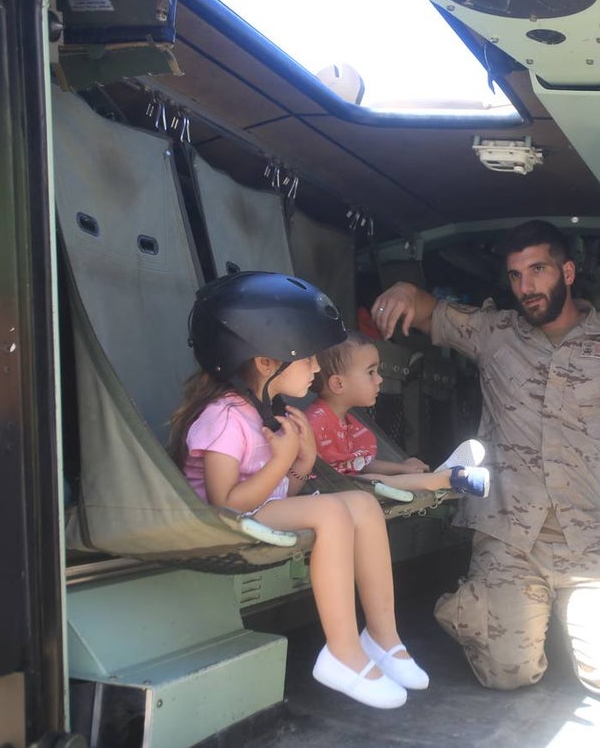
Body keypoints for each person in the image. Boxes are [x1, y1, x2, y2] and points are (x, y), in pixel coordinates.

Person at [371, 219, 600, 696]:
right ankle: (481, 606)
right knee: (507, 673)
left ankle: (552, 618)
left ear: (569, 271)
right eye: (515, 276)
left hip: (590, 543)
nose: (526, 287)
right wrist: (406, 289)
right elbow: (431, 312)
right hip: (510, 538)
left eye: (538, 270)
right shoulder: (495, 332)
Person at [166, 271, 428, 710]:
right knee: (329, 513)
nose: (317, 368)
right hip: (224, 519)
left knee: (362, 504)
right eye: (308, 359)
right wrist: (286, 460)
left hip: (254, 512)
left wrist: (302, 465)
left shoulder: (267, 411)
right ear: (267, 363)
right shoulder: (225, 416)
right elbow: (226, 504)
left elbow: (275, 499)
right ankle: (342, 653)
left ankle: (382, 637)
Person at [306, 332, 491, 497]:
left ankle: (439, 476)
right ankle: (447, 479)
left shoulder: (350, 422)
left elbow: (362, 463)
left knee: (371, 480)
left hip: (351, 491)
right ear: (338, 384)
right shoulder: (314, 424)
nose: (379, 379)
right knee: (371, 482)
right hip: (330, 493)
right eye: (370, 372)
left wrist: (403, 468)